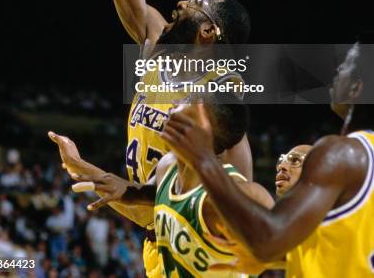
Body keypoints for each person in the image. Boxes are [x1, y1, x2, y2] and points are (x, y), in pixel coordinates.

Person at [44, 0, 253, 274]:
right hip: (156, 249)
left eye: (196, 2)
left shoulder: (221, 101)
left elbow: (246, 218)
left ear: (211, 33)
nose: (181, 1)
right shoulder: (153, 46)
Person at [160, 41, 374, 277]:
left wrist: (203, 159)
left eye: (345, 65)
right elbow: (346, 246)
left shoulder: (342, 153)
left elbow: (267, 241)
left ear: (356, 89)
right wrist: (281, 259)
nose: (337, 70)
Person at [71, 99, 276, 277]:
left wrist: (268, 259)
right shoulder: (167, 165)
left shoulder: (242, 194)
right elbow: (147, 194)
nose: (174, 104)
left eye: (185, 104)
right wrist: (119, 188)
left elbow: (289, 246)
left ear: (201, 127)